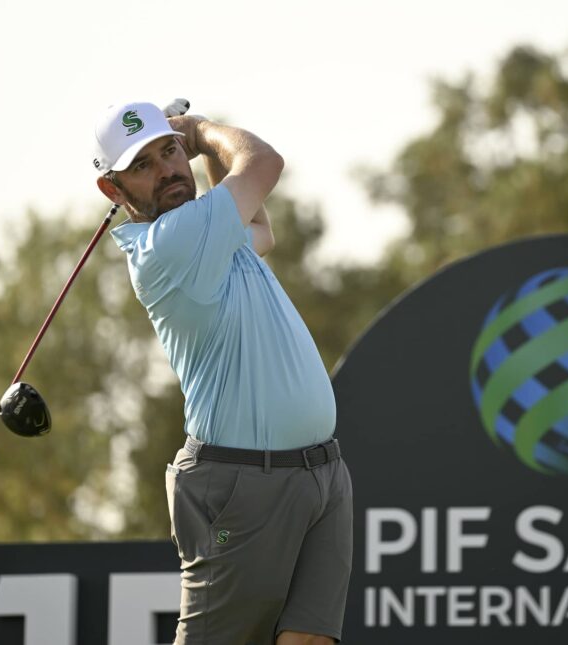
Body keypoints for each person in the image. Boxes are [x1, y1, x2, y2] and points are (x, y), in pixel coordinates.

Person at [93, 100, 352, 645]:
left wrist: (198, 148)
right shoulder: (171, 247)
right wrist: (202, 133)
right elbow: (262, 164)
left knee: (309, 639)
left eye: (169, 152)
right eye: (143, 165)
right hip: (241, 481)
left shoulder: (208, 232)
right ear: (114, 192)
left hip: (319, 473)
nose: (167, 169)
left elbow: (260, 227)